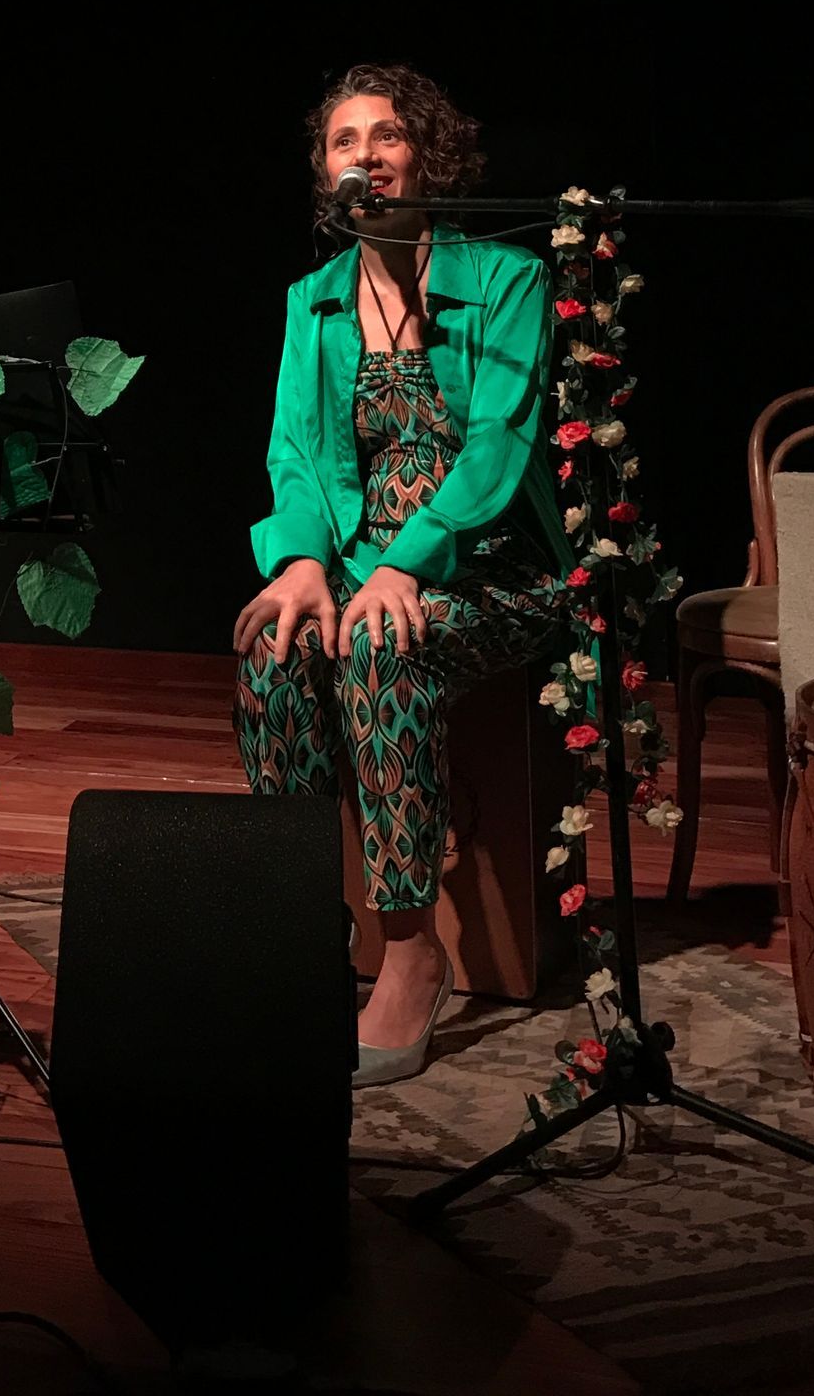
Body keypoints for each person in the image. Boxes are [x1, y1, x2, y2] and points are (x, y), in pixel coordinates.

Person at [233, 63, 567, 1084]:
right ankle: (304, 928)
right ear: (324, 169)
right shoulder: (314, 303)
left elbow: (497, 452)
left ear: (428, 155)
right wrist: (299, 564)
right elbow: (294, 450)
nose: (365, 156)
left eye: (387, 136)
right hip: (356, 566)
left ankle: (412, 948)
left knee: (383, 646)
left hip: (492, 566)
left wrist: (403, 567)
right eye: (345, 141)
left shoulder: (508, 281)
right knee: (272, 646)